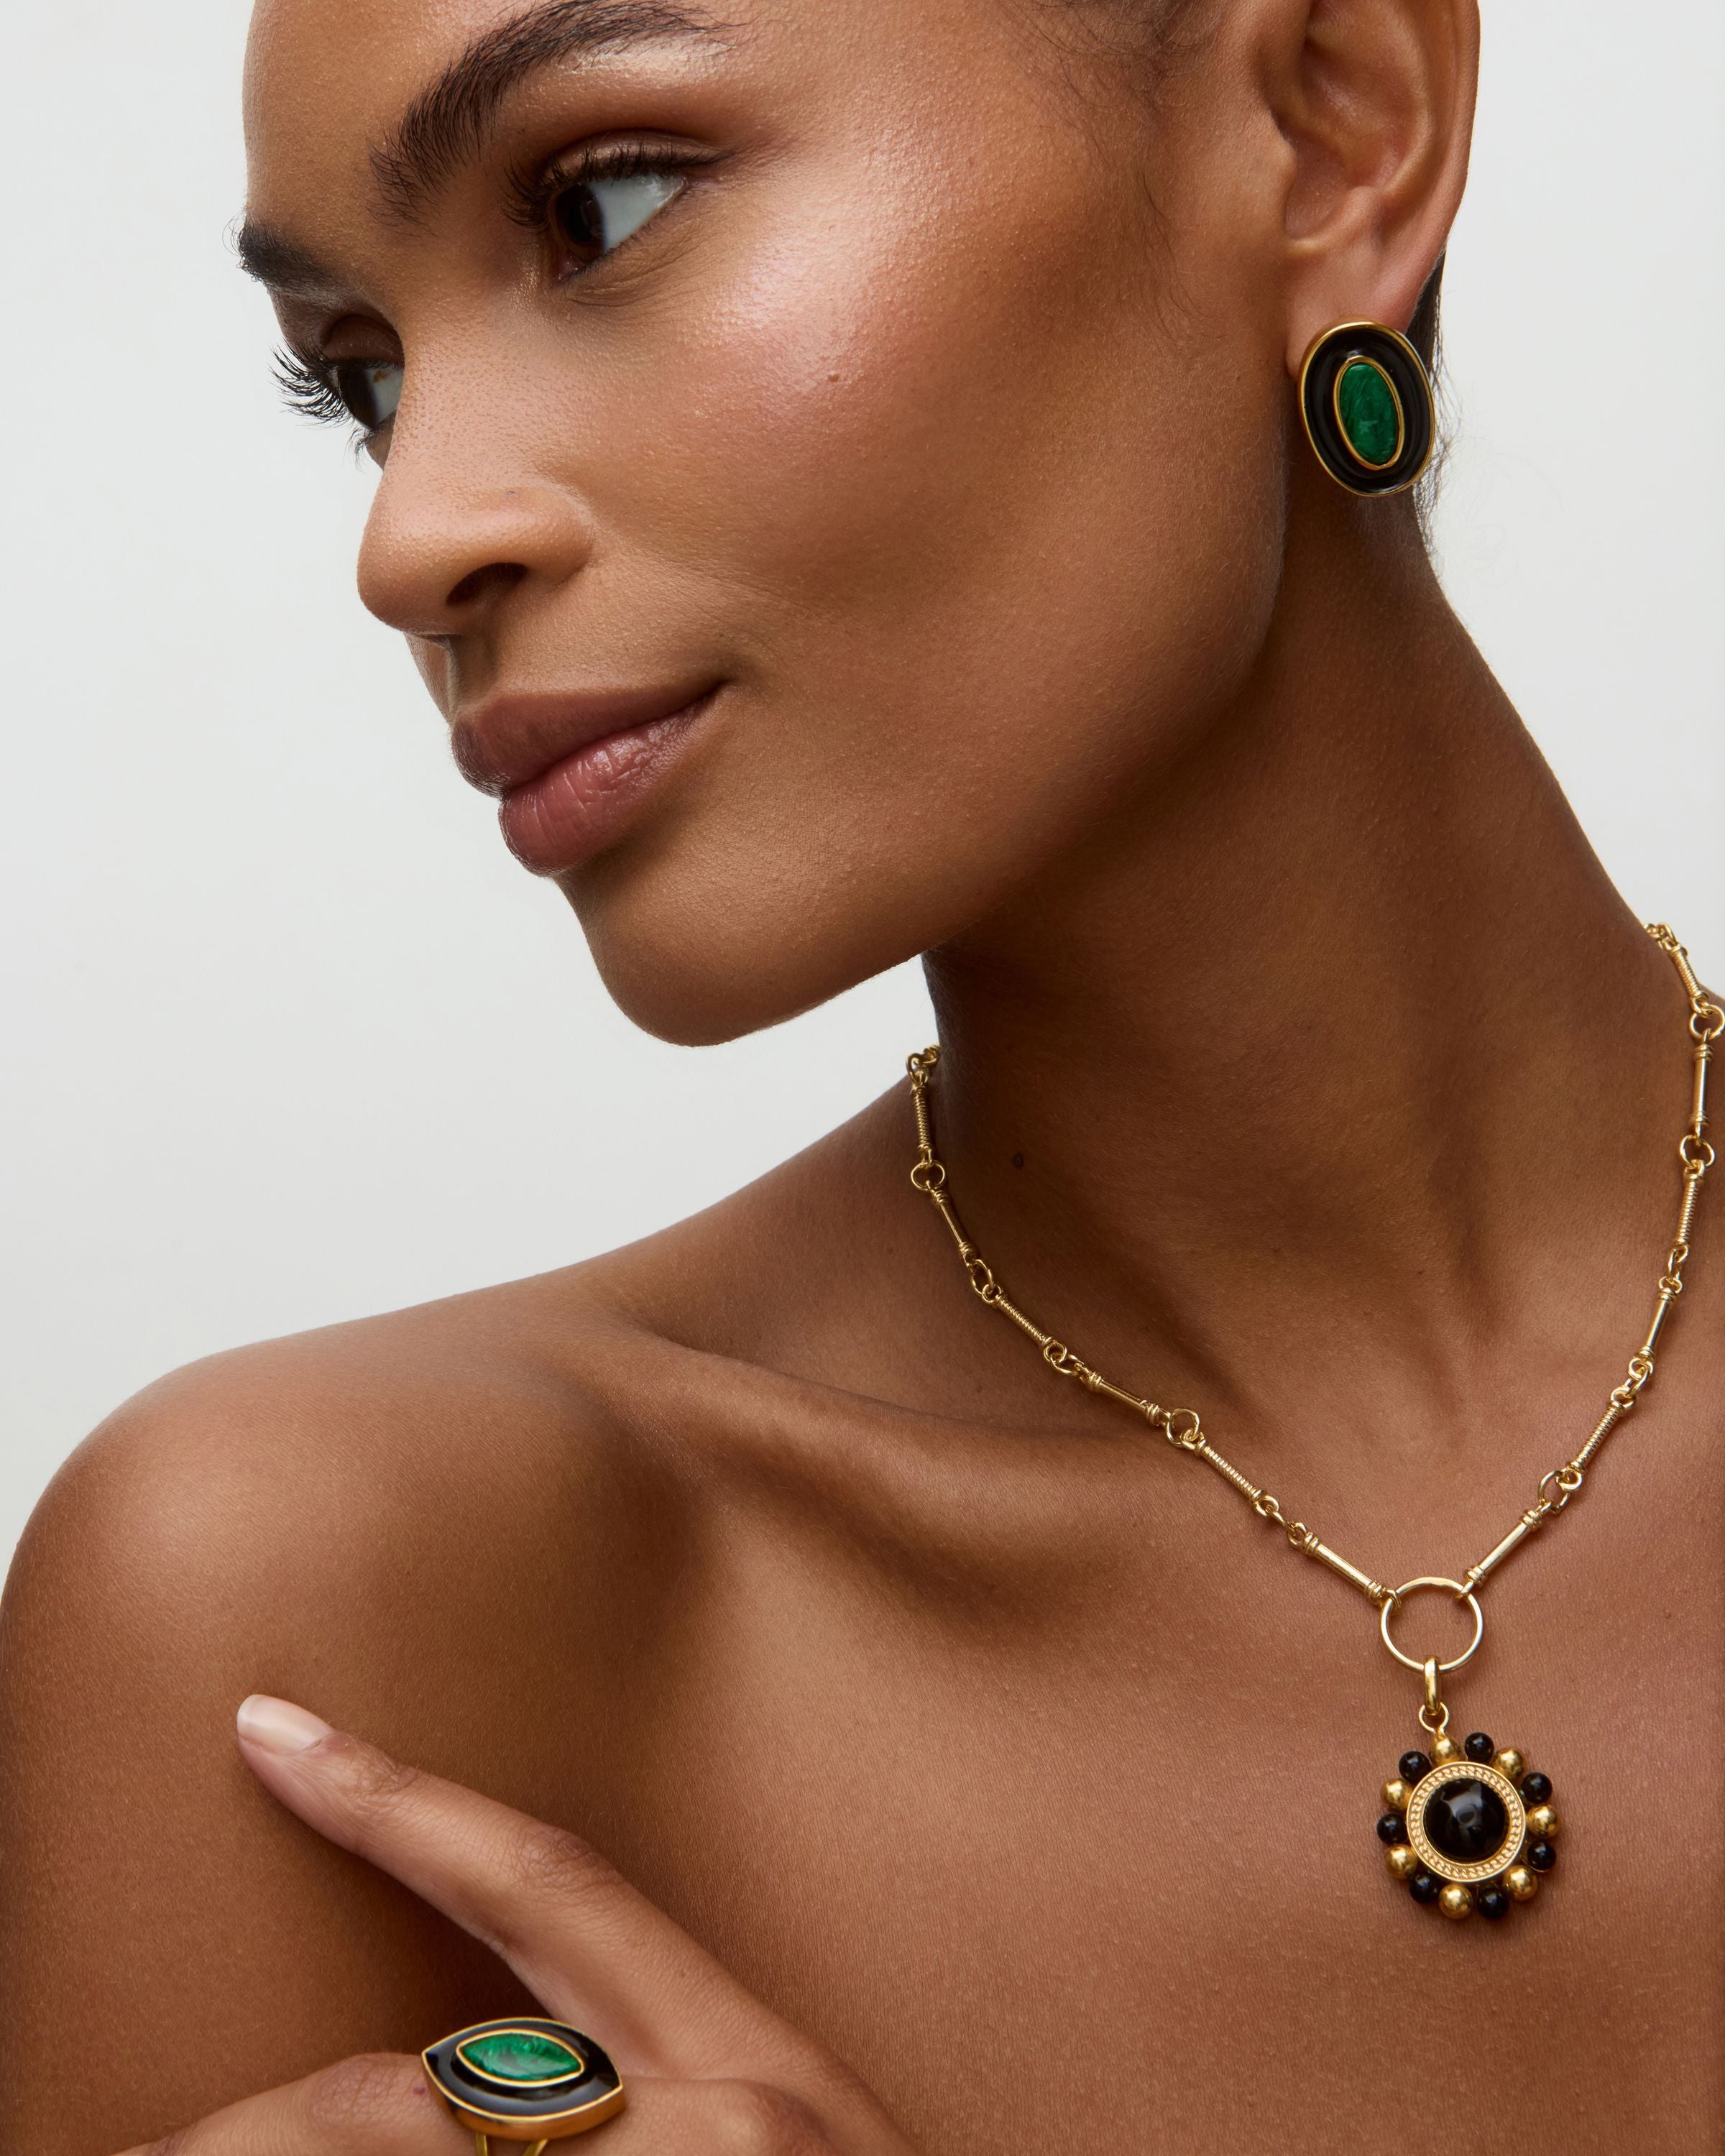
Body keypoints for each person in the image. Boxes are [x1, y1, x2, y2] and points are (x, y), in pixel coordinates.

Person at [2, 0, 1719, 2147]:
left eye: (600, 204)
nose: (411, 540)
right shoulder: (342, 1625)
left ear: (1331, 121)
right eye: (363, 378)